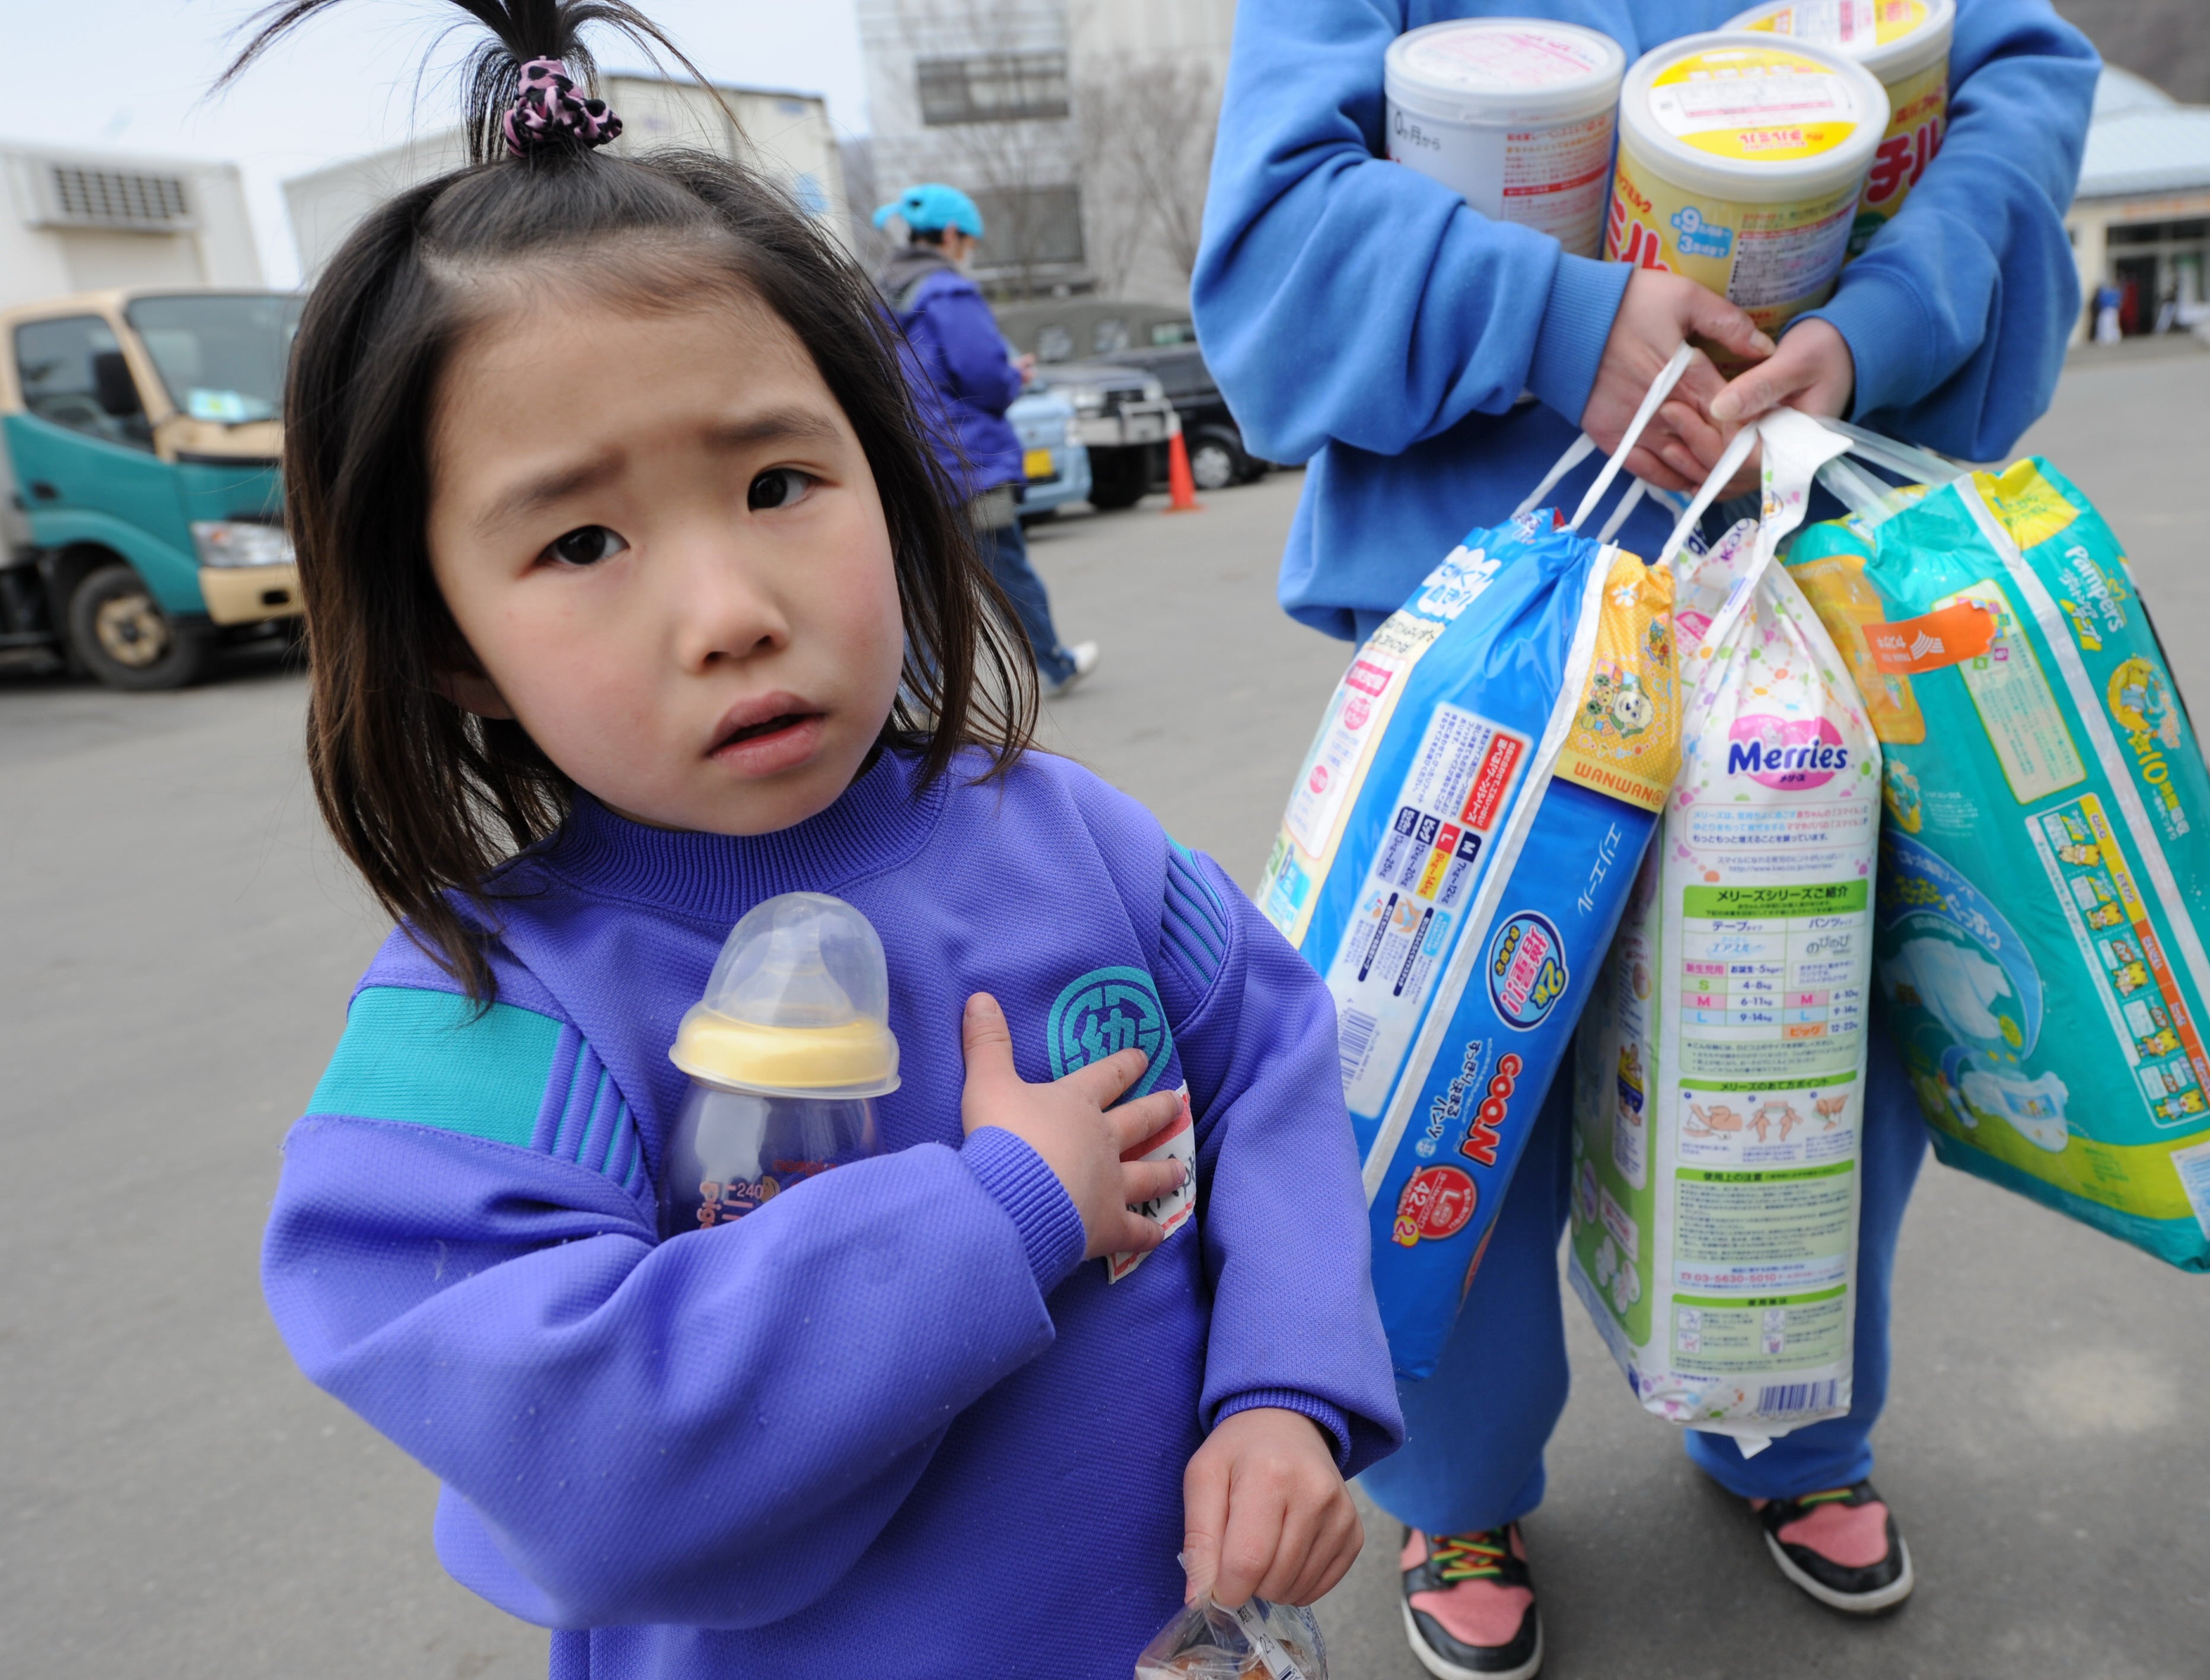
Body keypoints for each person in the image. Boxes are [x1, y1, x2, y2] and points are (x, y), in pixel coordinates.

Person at [228, 5, 1401, 1674]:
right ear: (448, 642)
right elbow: (580, 1463)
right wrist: (1006, 1214)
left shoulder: (1074, 840)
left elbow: (1274, 1069)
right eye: (581, 540)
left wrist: (1286, 1389)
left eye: (779, 485)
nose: (729, 611)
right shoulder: (490, 1006)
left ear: (893, 476)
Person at [1194, 4, 2098, 1675]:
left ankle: (1786, 1434)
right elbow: (1273, 225)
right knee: (1461, 1060)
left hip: (1808, 582)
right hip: (1496, 615)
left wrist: (1882, 325)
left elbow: (2019, 87)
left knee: (1803, 1043)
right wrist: (1560, 318)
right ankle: (1454, 1486)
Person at [875, 183, 1099, 696]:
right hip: (969, 466)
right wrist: (1011, 376)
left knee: (927, 583)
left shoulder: (886, 294)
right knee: (1007, 569)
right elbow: (983, 377)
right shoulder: (947, 291)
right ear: (952, 235)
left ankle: (913, 697)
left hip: (914, 466)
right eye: (970, 243)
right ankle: (1054, 664)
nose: (969, 254)